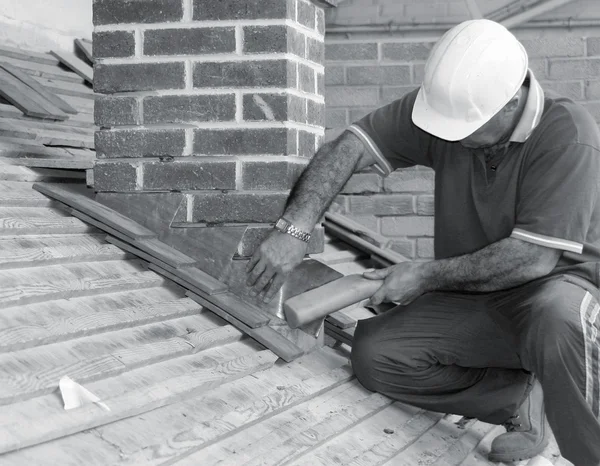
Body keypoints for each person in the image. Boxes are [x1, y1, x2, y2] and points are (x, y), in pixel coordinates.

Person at [245, 19, 600, 465]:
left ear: (511, 103)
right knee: (377, 356)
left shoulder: (568, 134)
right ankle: (515, 397)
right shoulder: (446, 111)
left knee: (557, 319)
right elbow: (349, 147)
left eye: (464, 128)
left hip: (556, 290)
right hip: (476, 293)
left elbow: (532, 260)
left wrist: (425, 276)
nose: (449, 137)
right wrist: (295, 226)